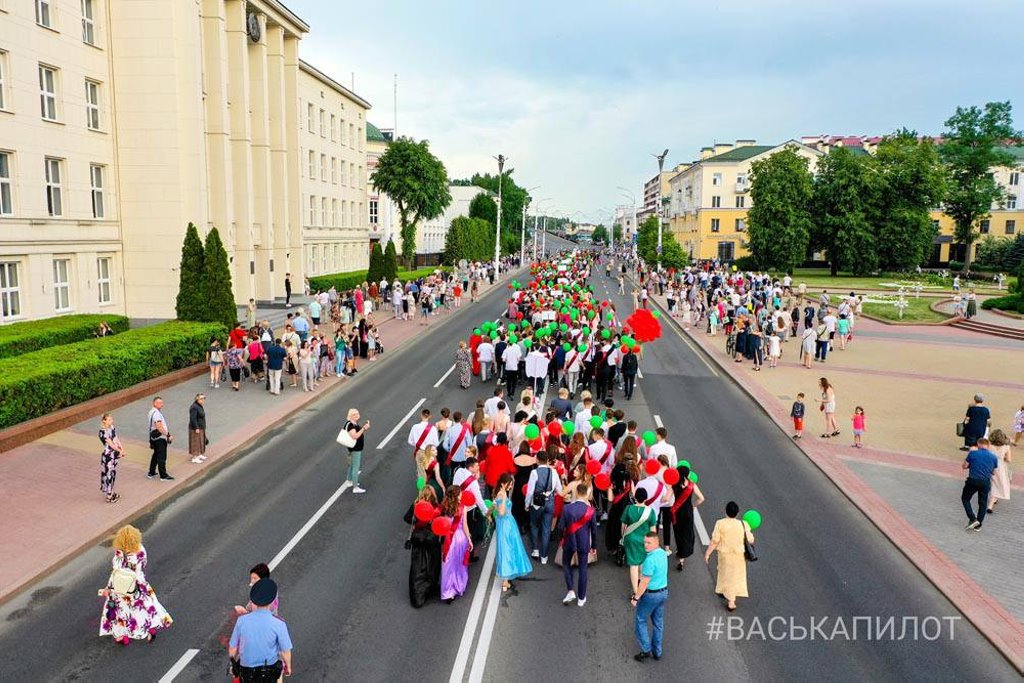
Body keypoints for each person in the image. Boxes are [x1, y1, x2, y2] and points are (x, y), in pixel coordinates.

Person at [99, 525, 172, 644]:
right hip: (138, 585)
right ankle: (150, 628)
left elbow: (116, 572)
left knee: (121, 613)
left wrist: (109, 588)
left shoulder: (120, 553)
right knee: (144, 607)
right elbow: (143, 565)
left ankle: (122, 637)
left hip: (122, 588)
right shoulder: (141, 550)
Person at [229, 578, 293, 680]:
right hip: (269, 672)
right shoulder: (279, 623)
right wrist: (288, 667)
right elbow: (285, 650)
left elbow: (233, 647)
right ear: (272, 602)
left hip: (247, 672)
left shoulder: (241, 621)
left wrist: (232, 665)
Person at [704, 501, 755, 611]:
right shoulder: (743, 524)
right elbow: (751, 540)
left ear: (725, 511)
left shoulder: (720, 523)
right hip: (739, 555)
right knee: (735, 576)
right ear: (738, 513)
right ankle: (732, 599)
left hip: (724, 555)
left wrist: (707, 554)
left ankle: (730, 599)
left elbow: (715, 541)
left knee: (724, 574)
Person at [492, 472, 533, 592]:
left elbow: (494, 507)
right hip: (506, 524)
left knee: (508, 547)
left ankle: (507, 575)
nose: (511, 487)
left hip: (507, 524)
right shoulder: (502, 494)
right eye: (509, 485)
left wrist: (488, 514)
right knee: (507, 548)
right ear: (504, 484)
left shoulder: (499, 492)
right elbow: (501, 512)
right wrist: (504, 499)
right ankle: (505, 580)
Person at [631, 532, 669, 663]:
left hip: (651, 595)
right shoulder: (663, 554)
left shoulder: (649, 560)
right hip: (663, 592)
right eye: (645, 542)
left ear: (656, 542)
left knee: (640, 619)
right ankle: (657, 651)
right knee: (658, 622)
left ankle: (646, 649)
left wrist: (636, 598)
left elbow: (644, 582)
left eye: (649, 543)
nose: (645, 545)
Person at [559, 481, 597, 607]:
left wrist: (562, 538)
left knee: (566, 564)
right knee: (583, 570)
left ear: (575, 493)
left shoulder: (567, 508)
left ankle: (570, 590)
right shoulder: (591, 511)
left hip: (569, 541)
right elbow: (594, 531)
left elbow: (560, 527)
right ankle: (581, 598)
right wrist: (594, 547)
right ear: (586, 494)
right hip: (584, 542)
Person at [405, 486, 442, 608]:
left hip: (418, 540)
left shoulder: (416, 506)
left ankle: (417, 594)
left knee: (417, 567)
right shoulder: (436, 509)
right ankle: (430, 588)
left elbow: (407, 518)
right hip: (431, 541)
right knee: (432, 565)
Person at [526, 450, 562, 564]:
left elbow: (530, 492)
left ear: (537, 460)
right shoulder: (554, 472)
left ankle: (535, 550)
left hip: (537, 503)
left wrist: (527, 504)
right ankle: (544, 556)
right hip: (550, 502)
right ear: (547, 460)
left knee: (534, 525)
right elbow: (559, 490)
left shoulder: (534, 473)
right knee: (546, 529)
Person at [440, 485, 472, 603]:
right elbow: (465, 525)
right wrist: (469, 539)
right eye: (460, 492)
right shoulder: (462, 508)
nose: (462, 494)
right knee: (459, 564)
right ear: (457, 495)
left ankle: (447, 592)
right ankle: (458, 586)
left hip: (448, 538)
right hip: (459, 539)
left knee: (448, 566)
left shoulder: (444, 507)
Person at [621, 489, 657, 594]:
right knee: (643, 563)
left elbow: (623, 525)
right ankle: (642, 586)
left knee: (633, 565)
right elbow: (653, 530)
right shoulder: (650, 511)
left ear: (635, 498)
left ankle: (636, 592)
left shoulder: (628, 508)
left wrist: (623, 536)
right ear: (646, 499)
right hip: (645, 540)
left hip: (631, 538)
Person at [670, 465, 704, 570]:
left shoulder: (674, 484)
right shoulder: (691, 485)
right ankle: (682, 558)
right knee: (687, 533)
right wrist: (693, 505)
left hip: (677, 512)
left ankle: (679, 550)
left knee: (678, 533)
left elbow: (668, 496)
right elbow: (701, 498)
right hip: (688, 512)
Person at [961, 437, 999, 531]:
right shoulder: (994, 457)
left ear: (978, 444)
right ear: (988, 446)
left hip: (972, 481)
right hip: (985, 482)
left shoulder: (973, 453)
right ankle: (979, 525)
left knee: (965, 498)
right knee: (982, 504)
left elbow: (964, 466)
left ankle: (972, 518)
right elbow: (994, 472)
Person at [343, 409, 371, 493]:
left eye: (357, 413)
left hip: (353, 448)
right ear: (350, 416)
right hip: (355, 449)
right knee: (356, 467)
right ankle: (355, 488)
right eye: (354, 414)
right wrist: (364, 428)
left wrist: (363, 428)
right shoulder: (350, 425)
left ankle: (349, 481)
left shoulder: (352, 423)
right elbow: (355, 436)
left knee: (351, 465)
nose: (357, 415)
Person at [98, 413, 124, 504]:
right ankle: (109, 496)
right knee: (108, 474)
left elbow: (116, 438)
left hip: (115, 454)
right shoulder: (103, 432)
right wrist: (119, 451)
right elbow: (111, 445)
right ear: (104, 421)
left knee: (113, 473)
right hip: (108, 456)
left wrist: (122, 448)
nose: (111, 421)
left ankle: (112, 492)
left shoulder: (112, 427)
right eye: (109, 420)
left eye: (111, 419)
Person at [147, 396, 174, 481]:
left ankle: (151, 472)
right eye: (159, 403)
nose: (161, 405)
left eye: (162, 403)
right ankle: (163, 475)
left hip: (153, 437)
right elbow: (159, 426)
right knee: (162, 457)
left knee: (155, 455)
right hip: (160, 438)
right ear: (154, 403)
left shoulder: (151, 412)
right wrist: (168, 435)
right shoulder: (157, 414)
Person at [987, 430, 1012, 514]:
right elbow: (1009, 460)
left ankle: (993, 499)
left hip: (989, 465)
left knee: (992, 483)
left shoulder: (989, 445)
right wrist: (1003, 457)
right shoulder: (1006, 447)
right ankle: (990, 505)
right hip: (1000, 467)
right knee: (998, 484)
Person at [188, 393, 208, 465]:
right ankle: (194, 457)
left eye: (203, 398)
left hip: (201, 427)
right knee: (195, 441)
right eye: (201, 399)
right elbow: (193, 418)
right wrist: (196, 427)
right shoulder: (194, 407)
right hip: (195, 428)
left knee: (200, 441)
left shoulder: (199, 406)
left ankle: (199, 454)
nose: (203, 400)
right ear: (197, 399)